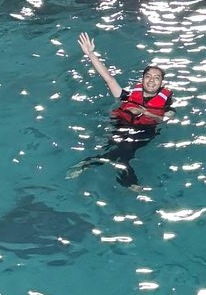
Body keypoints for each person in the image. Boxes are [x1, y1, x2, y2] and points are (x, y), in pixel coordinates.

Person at [69, 32, 175, 188]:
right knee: (120, 153)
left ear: (161, 84)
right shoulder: (127, 96)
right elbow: (108, 78)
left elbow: (163, 119)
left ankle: (89, 164)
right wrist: (90, 54)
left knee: (123, 151)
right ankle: (127, 181)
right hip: (121, 125)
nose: (152, 80)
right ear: (142, 80)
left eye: (156, 78)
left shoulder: (167, 105)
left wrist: (145, 113)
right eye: (148, 76)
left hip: (144, 132)